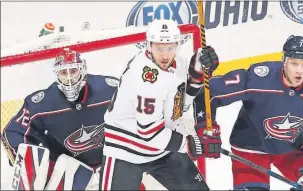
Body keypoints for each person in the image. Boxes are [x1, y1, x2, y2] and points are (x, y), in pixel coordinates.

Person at [193, 35, 303, 191]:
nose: (300, 71)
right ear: (284, 61)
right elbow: (208, 94)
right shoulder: (259, 79)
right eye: (294, 64)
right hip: (250, 148)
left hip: (292, 148)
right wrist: (206, 128)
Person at [100, 18, 221, 190]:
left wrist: (196, 77)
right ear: (148, 45)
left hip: (163, 148)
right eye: (159, 48)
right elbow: (149, 132)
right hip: (126, 152)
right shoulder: (145, 77)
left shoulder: (178, 64)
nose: (165, 55)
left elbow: (179, 106)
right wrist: (190, 143)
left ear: (177, 45)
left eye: (170, 47)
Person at [3, 48, 119, 190]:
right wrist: (30, 168)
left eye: (73, 71)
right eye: (64, 72)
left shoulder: (109, 90)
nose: (69, 78)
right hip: (70, 170)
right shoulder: (43, 103)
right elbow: (12, 133)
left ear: (82, 69)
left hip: (110, 162)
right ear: (57, 74)